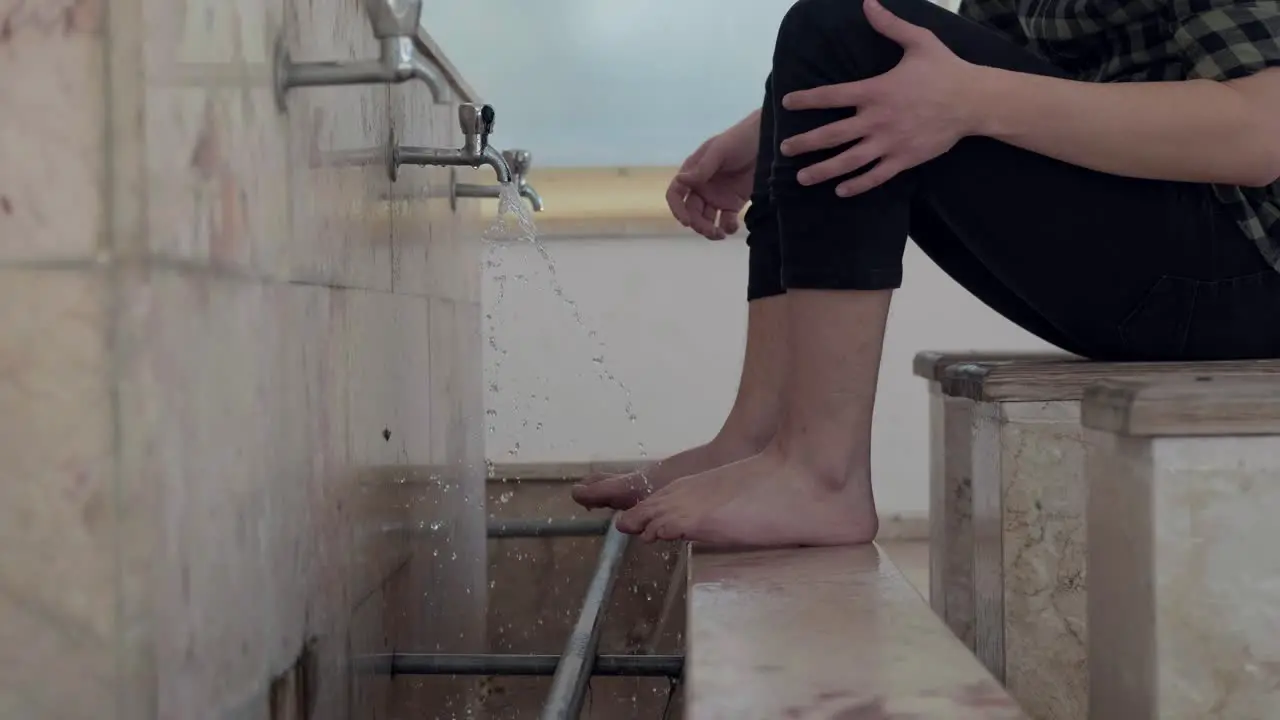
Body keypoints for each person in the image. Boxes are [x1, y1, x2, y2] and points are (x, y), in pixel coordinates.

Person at [572, 0, 1280, 546]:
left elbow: (1261, 133)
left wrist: (957, 97)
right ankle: (756, 439)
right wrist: (782, 126)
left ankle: (822, 474)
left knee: (846, 33)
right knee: (833, 61)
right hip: (1172, 263)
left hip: (1253, 265)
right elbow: (964, 75)